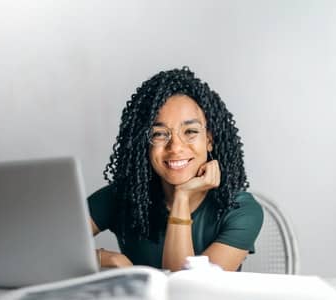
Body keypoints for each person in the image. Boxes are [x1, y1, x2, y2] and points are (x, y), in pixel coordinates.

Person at [88, 67, 263, 272]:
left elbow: (187, 292)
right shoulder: (123, 197)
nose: (176, 147)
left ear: (209, 140)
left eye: (190, 131)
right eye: (160, 134)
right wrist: (105, 258)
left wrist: (182, 196)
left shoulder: (240, 210)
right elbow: (47, 248)